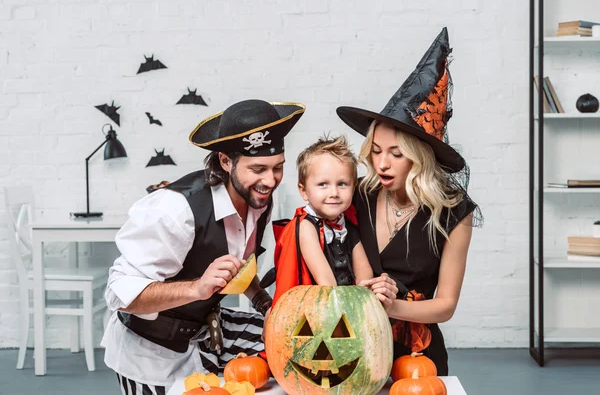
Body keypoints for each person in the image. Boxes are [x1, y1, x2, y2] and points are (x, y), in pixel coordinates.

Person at [101, 99, 306, 394]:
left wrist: (265, 303)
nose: (270, 180)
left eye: (277, 168)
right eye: (258, 168)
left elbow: (238, 267)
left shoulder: (257, 198)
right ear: (225, 161)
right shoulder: (175, 210)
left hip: (209, 335)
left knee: (296, 346)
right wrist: (197, 288)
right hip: (151, 357)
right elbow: (120, 294)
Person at [336, 27, 482, 375]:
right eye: (375, 151)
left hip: (416, 358)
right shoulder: (357, 194)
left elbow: (445, 305)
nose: (381, 163)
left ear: (419, 157)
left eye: (396, 153)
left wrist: (390, 306)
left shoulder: (453, 212)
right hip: (350, 345)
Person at [268, 135, 398, 310]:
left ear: (353, 188)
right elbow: (326, 282)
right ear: (304, 191)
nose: (334, 192)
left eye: (342, 184)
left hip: (345, 303)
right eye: (323, 184)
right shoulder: (306, 226)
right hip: (317, 308)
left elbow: (364, 272)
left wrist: (366, 287)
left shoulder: (347, 224)